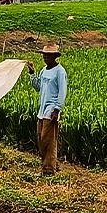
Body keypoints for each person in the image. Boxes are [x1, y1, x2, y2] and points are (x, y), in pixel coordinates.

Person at [25, 44, 68, 175]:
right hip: (42, 111)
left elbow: (62, 92)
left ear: (55, 57)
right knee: (41, 139)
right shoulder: (44, 70)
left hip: (51, 111)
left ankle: (48, 170)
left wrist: (57, 109)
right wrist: (32, 73)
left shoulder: (60, 72)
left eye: (49, 55)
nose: (46, 58)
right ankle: (52, 164)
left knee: (48, 140)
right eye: (45, 55)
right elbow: (38, 87)